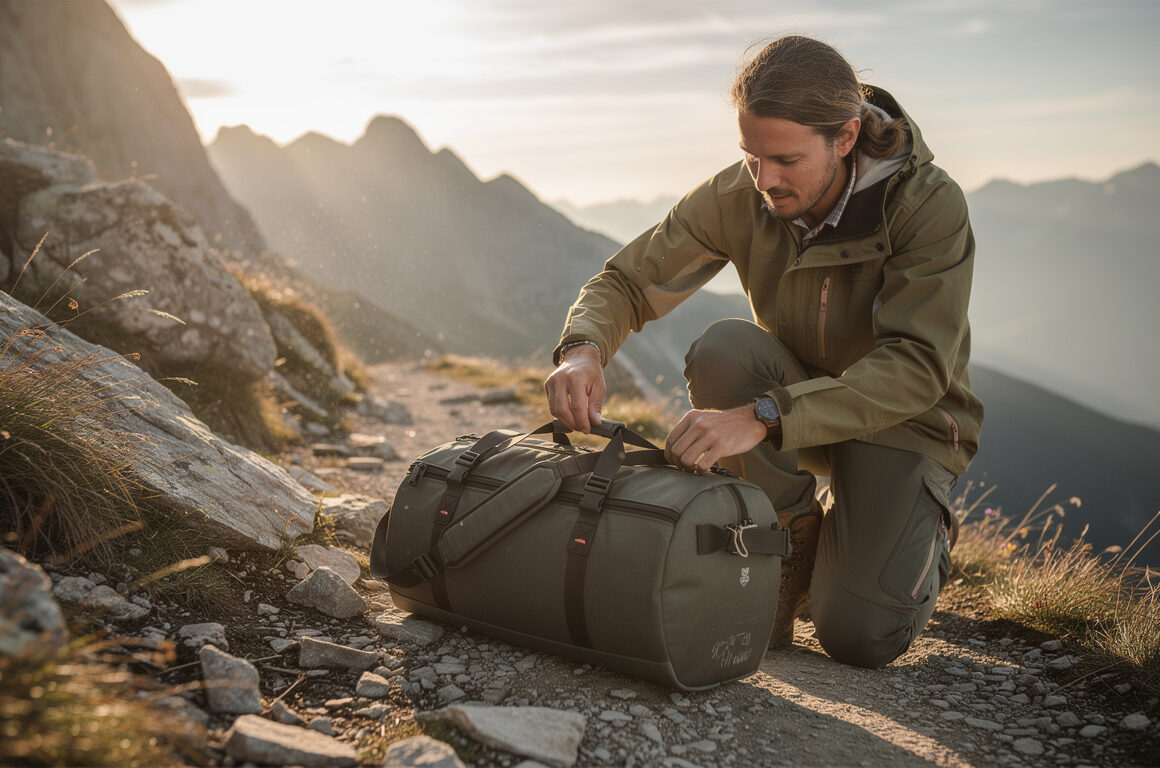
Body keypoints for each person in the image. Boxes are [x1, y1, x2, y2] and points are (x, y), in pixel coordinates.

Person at [544, 35, 983, 668]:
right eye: (751, 156)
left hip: (905, 423)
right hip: (796, 404)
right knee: (724, 349)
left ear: (847, 135)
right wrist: (583, 348)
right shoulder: (740, 195)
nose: (764, 180)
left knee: (859, 636)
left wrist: (763, 417)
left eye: (785, 160)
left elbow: (916, 368)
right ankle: (792, 543)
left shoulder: (927, 206)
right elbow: (628, 280)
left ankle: (923, 527)